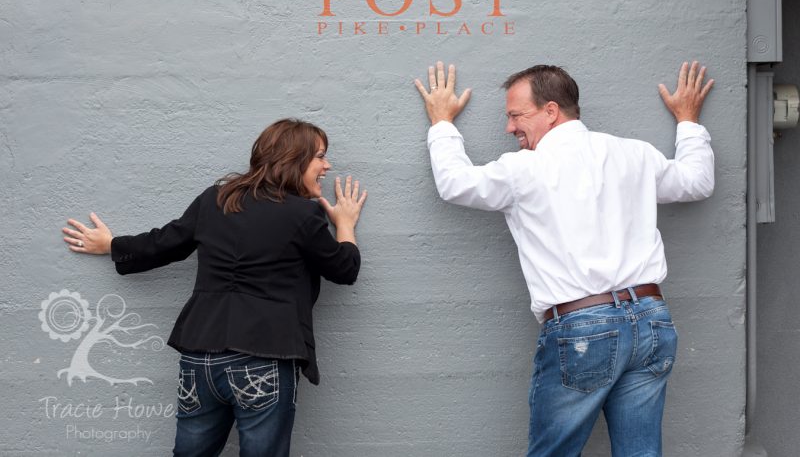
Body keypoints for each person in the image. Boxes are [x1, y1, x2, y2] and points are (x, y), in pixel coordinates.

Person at [414, 61, 714, 456]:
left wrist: (441, 123)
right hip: (651, 321)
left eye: (516, 115)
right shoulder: (634, 154)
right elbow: (696, 181)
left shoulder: (525, 168)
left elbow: (454, 183)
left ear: (551, 111)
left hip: (583, 329)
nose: (510, 128)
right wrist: (689, 122)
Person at [61, 118, 367, 457]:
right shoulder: (302, 215)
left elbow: (165, 244)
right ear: (293, 159)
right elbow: (344, 269)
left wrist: (113, 245)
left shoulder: (215, 200)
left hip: (200, 357)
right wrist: (346, 225)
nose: (327, 165)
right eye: (320, 156)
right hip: (264, 357)